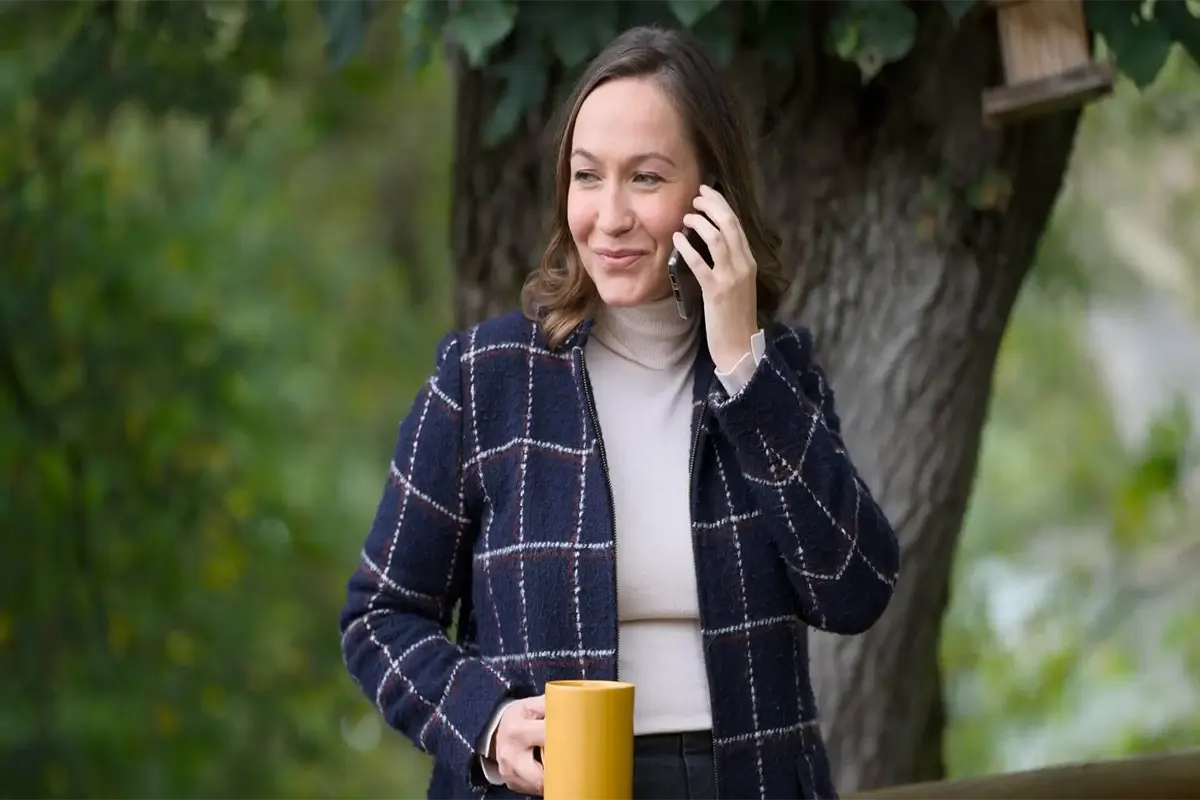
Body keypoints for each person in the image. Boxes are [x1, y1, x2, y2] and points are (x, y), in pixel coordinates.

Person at [339, 24, 900, 800]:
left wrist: (744, 367)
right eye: (586, 176)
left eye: (646, 178)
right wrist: (488, 723)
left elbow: (854, 588)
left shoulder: (776, 377)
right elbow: (380, 617)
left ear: (713, 194)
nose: (609, 216)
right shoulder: (486, 378)